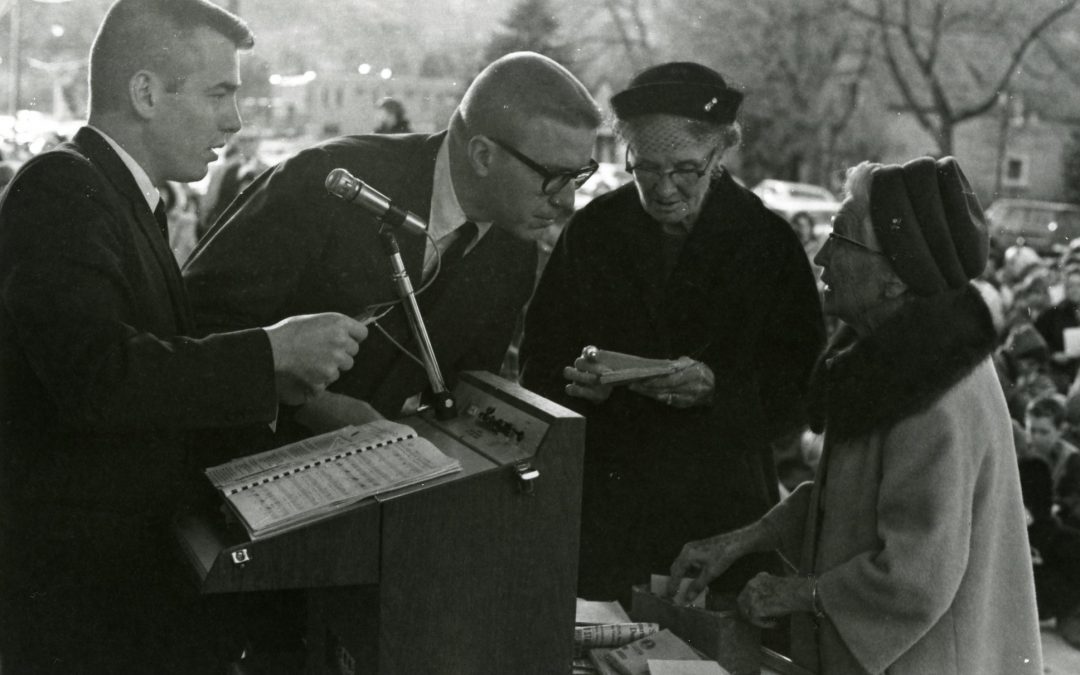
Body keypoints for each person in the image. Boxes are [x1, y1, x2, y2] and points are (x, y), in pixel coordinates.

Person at [0, 1, 370, 671]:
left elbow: (152, 372)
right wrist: (269, 352)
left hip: (117, 592)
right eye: (218, 93)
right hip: (82, 609)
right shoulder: (59, 187)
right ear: (145, 92)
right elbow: (101, 376)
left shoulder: (125, 198)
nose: (232, 119)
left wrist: (291, 395)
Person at [666, 156, 1042, 674]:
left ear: (895, 279)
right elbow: (851, 505)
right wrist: (746, 539)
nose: (821, 256)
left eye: (841, 239)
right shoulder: (900, 364)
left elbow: (915, 577)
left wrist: (800, 593)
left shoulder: (936, 403)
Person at [519, 62, 825, 605]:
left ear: (720, 155)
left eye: (685, 168)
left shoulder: (768, 244)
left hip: (719, 517)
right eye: (646, 168)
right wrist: (573, 384)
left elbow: (801, 394)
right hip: (606, 512)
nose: (663, 188)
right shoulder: (592, 233)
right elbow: (538, 361)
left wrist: (718, 390)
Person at [184, 51, 601, 432]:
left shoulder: (514, 248)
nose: (567, 201)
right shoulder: (329, 179)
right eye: (554, 177)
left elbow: (469, 387)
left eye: (579, 176)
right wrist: (307, 406)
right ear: (482, 156)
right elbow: (192, 320)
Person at [1025, 394, 1080, 528]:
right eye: (1032, 430)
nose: (1036, 438)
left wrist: (1059, 506)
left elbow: (1073, 494)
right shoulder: (1022, 453)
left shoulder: (1071, 458)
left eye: (1044, 432)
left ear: (1060, 431)